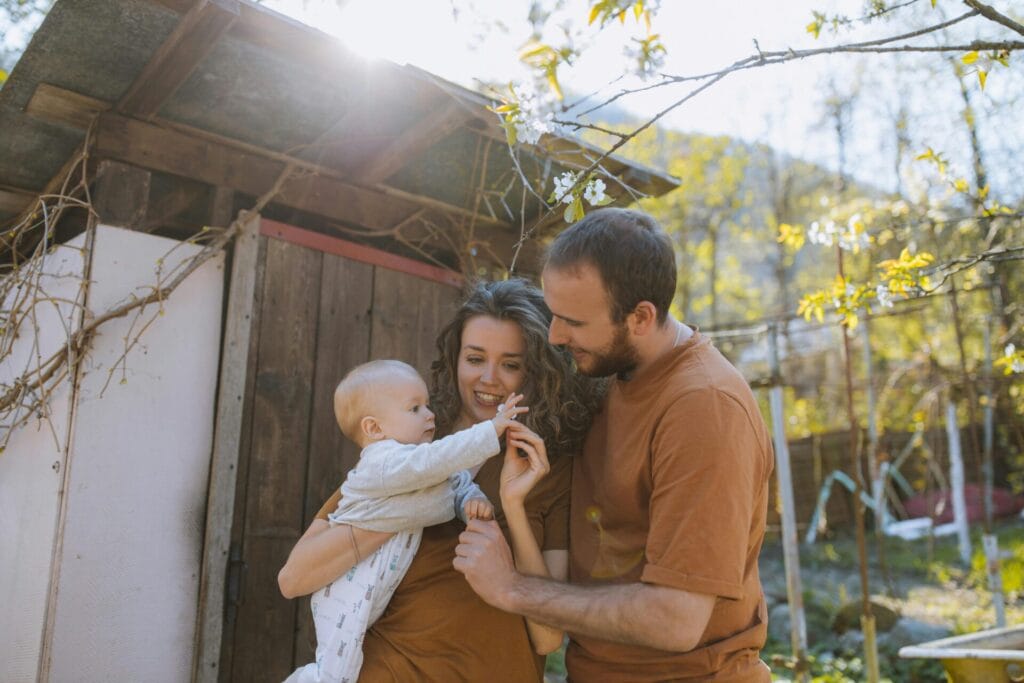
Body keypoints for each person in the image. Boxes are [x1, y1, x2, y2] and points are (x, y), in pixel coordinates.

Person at [453, 208, 775, 681]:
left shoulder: (705, 408)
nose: (557, 336)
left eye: (574, 322)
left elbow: (676, 617)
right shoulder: (605, 375)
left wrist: (511, 588)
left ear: (641, 317)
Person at [278, 279, 599, 682]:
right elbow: (294, 579)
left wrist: (512, 515)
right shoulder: (411, 441)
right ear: (455, 359)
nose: (489, 378)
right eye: (475, 358)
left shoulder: (547, 466)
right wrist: (406, 510)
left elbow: (548, 639)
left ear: (534, 371)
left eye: (511, 364)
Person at [285, 359, 527, 683]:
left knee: (349, 658)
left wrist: (472, 502)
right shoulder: (383, 462)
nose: (429, 415)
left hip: (381, 582)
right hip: (349, 582)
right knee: (335, 668)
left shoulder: (418, 461)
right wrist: (492, 429)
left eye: (426, 405)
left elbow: (454, 481)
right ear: (375, 429)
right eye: (414, 409)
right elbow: (437, 461)